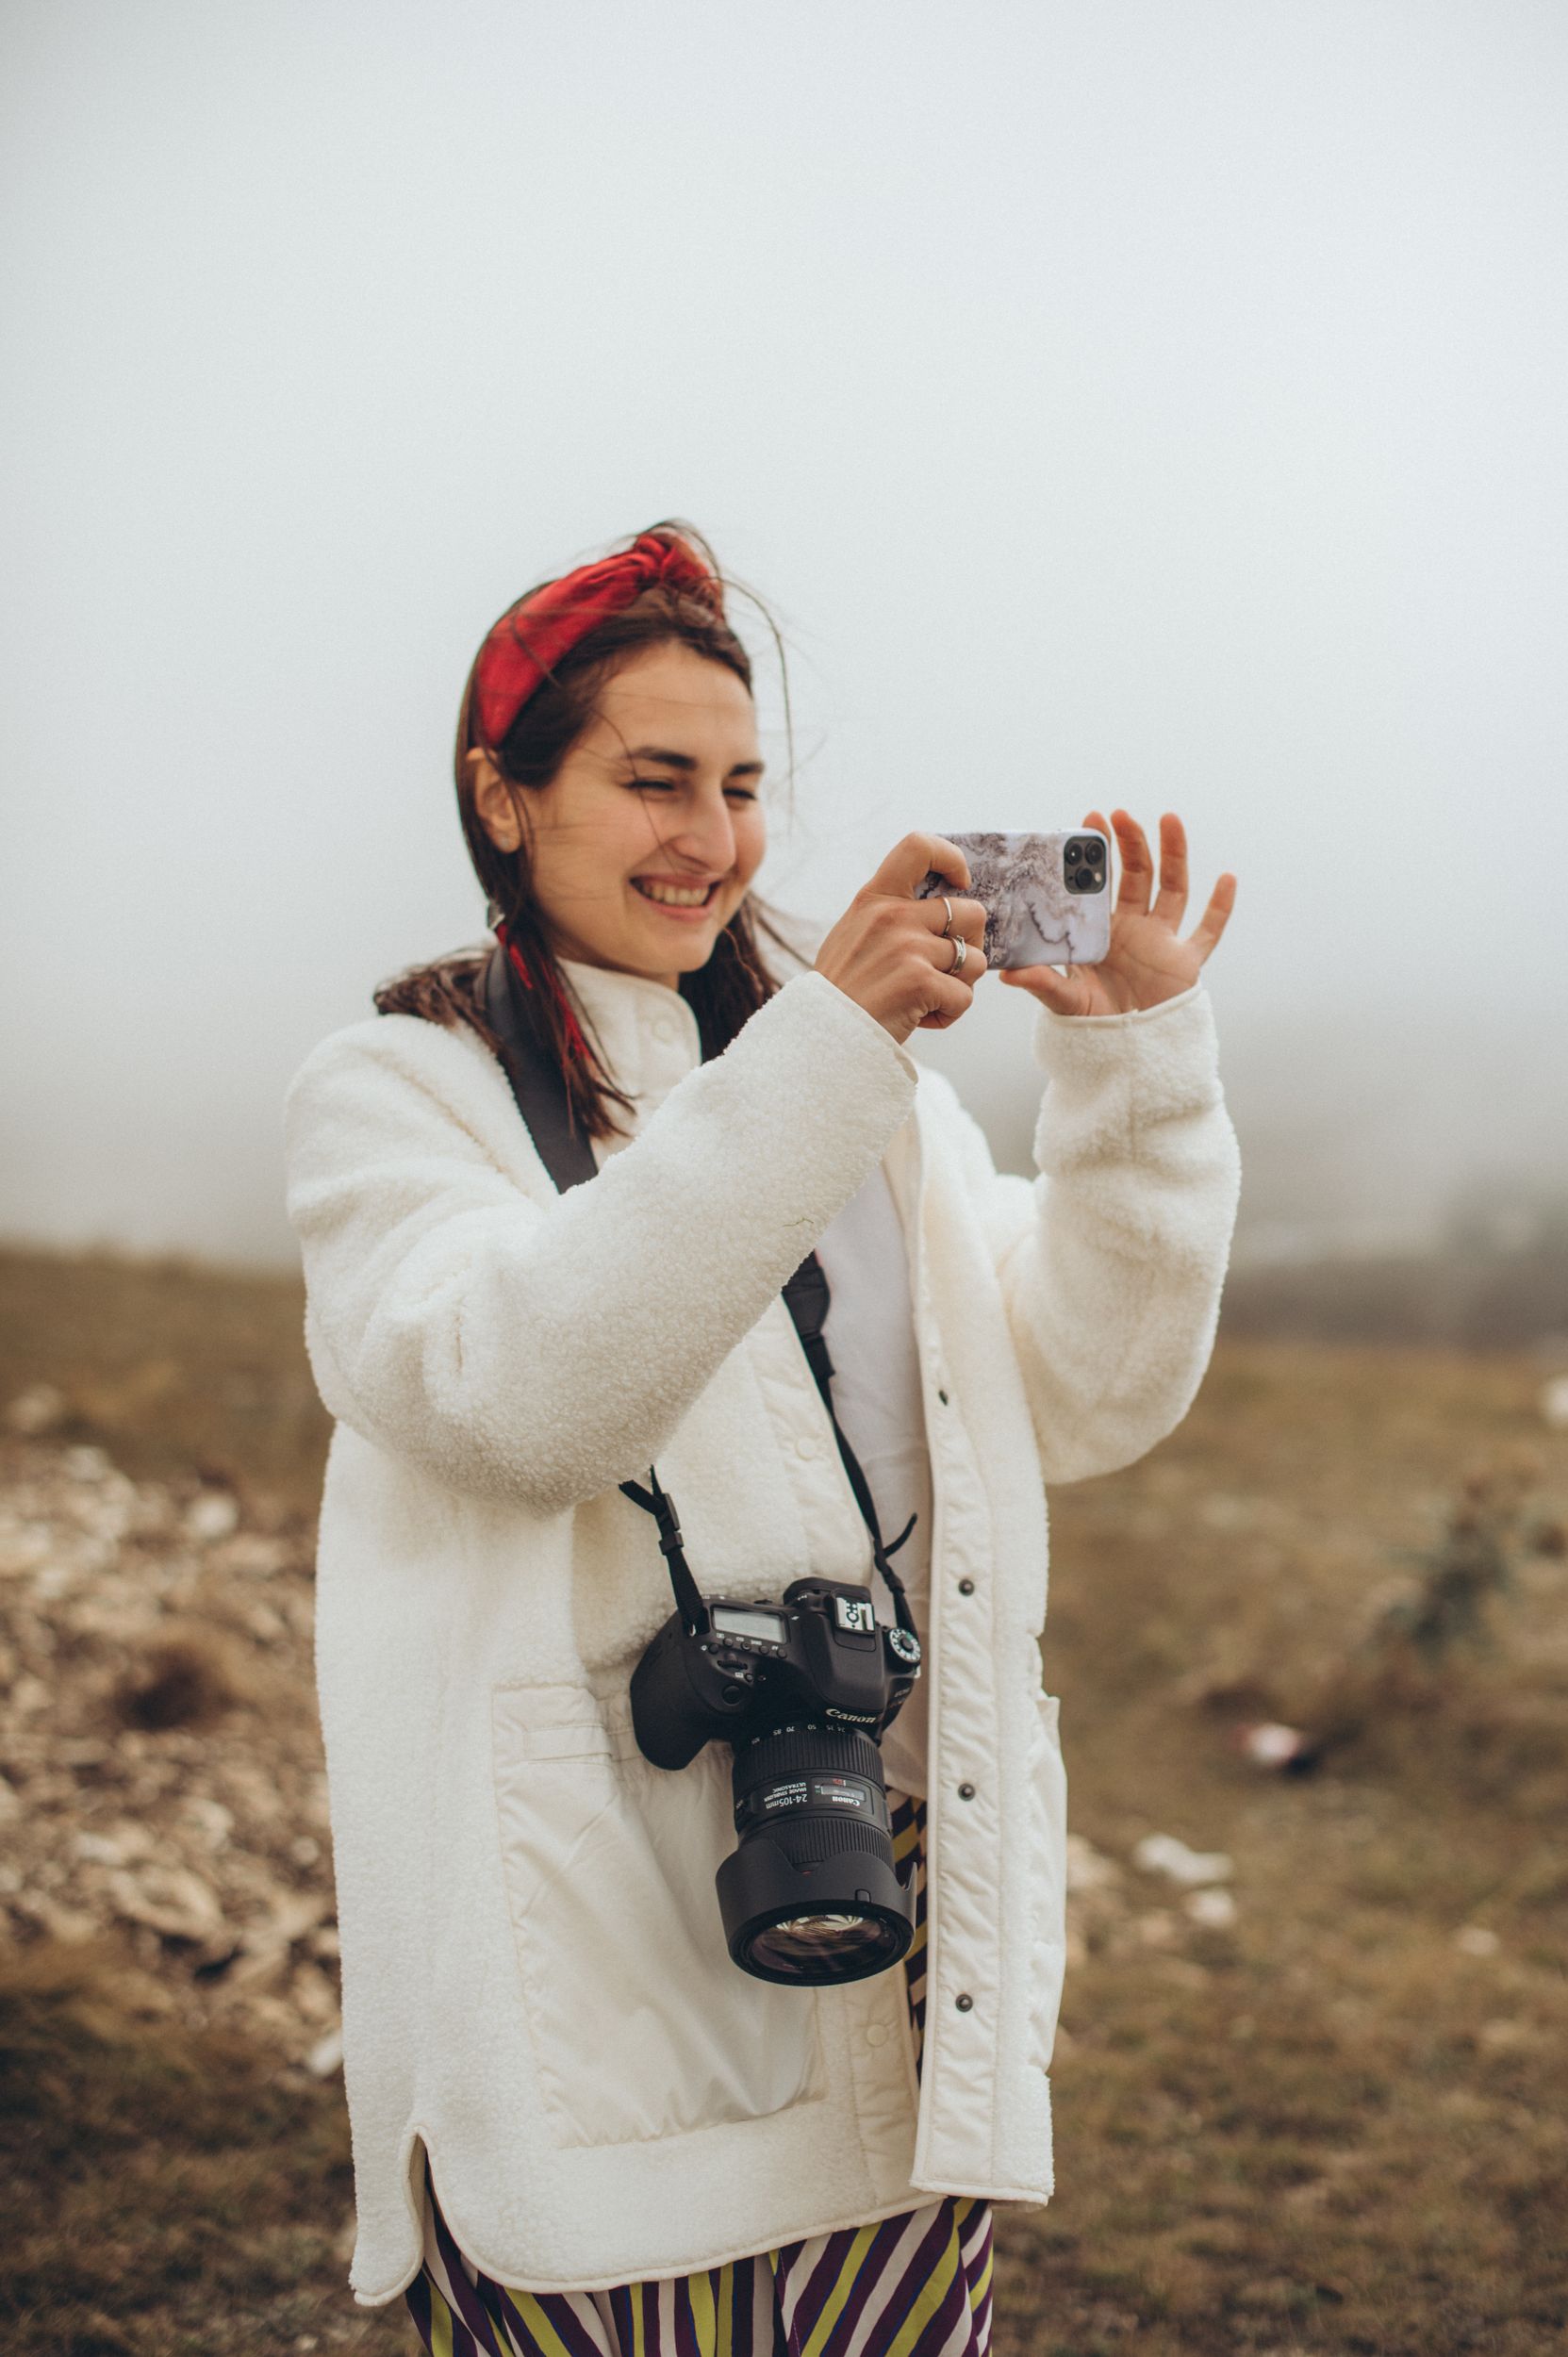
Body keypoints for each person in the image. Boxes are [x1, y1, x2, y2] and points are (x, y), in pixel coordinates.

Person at [283, 523, 1242, 2356]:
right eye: (650, 779)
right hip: (595, 1991)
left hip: (888, 1941)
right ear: (503, 794)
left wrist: (1139, 1071)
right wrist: (827, 1040)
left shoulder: (861, 1106)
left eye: (738, 785)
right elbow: (520, 1391)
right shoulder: (404, 1093)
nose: (710, 838)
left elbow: (1093, 1392)